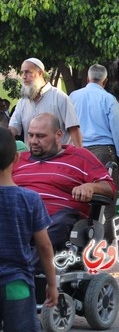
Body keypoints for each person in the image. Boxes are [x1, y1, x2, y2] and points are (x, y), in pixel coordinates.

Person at [12, 113, 116, 253]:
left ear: (58, 135)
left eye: (40, 136)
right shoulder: (18, 160)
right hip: (19, 216)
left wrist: (90, 187)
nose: (33, 141)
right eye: (31, 135)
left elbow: (109, 188)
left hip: (57, 219)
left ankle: (27, 269)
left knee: (57, 222)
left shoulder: (80, 156)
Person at [0, 127, 58, 332]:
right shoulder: (30, 199)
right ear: (17, 158)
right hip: (17, 282)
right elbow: (44, 246)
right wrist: (51, 283)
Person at [69, 64, 119, 243]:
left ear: (88, 78)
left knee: (78, 198)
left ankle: (78, 243)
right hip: (103, 152)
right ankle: (104, 246)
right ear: (105, 81)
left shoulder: (73, 96)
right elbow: (117, 130)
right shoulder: (108, 98)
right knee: (107, 200)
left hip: (78, 152)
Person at [9, 57, 82, 146]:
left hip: (59, 157)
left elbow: (73, 128)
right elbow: (12, 129)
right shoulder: (22, 102)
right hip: (33, 158)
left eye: (28, 72)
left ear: (40, 73)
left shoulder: (60, 97)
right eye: (22, 72)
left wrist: (79, 155)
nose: (23, 76)